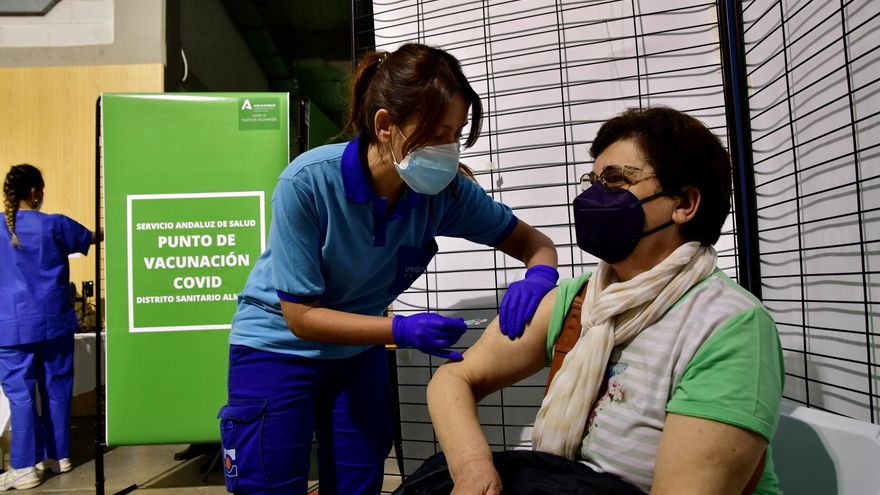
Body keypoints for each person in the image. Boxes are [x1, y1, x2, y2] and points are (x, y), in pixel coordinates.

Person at [218, 43, 558, 495]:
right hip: (276, 348)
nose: (449, 150)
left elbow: (536, 244)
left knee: (360, 482)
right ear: (384, 125)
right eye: (436, 134)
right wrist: (399, 329)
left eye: (455, 135)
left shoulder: (443, 194)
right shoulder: (307, 184)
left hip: (358, 356)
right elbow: (300, 317)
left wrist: (538, 278)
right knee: (270, 485)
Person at [416, 107, 785, 494]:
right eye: (593, 181)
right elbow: (453, 378)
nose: (593, 196)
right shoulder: (578, 303)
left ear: (684, 203)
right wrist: (472, 467)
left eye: (616, 180)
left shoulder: (729, 327)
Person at [0, 164, 99, 491]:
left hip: (12, 327)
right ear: (34, 193)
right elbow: (91, 236)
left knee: (22, 395)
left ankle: (26, 466)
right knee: (57, 389)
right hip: (54, 323)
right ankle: (59, 458)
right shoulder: (54, 225)